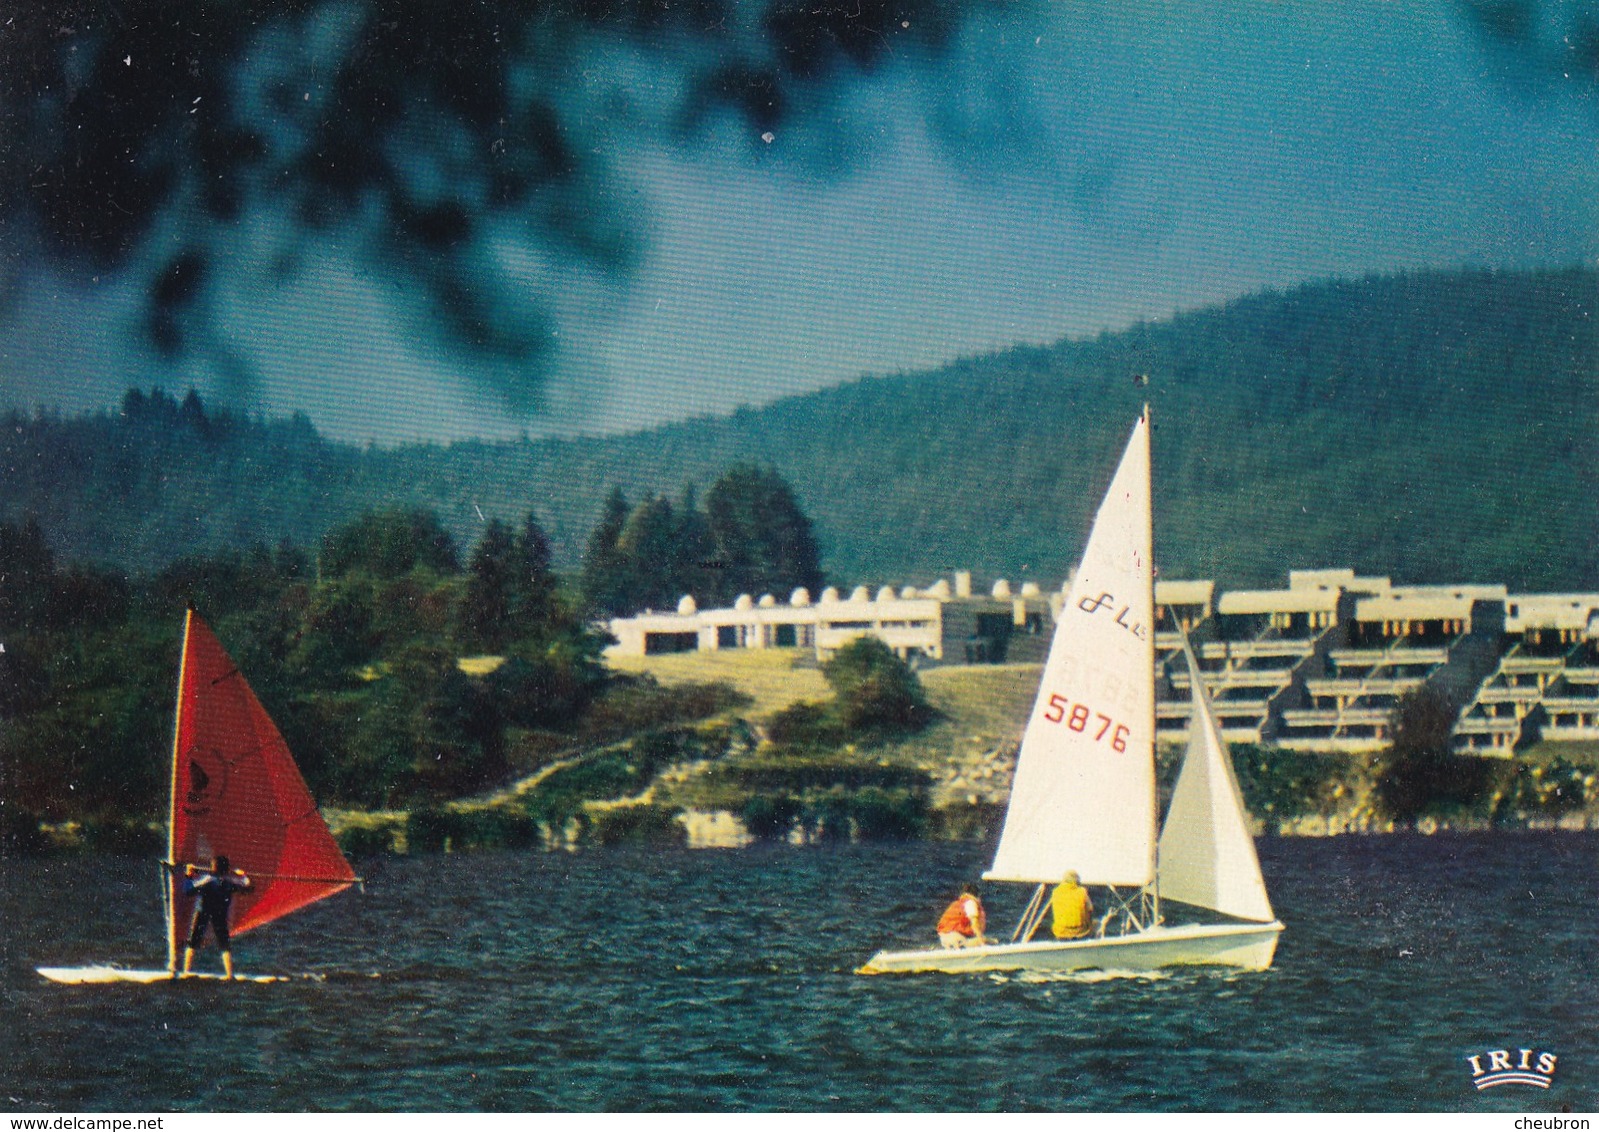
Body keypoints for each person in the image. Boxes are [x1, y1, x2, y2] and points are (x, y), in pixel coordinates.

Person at [178, 855, 251, 978]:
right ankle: (229, 974)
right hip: (219, 914)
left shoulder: (206, 880)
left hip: (203, 912)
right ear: (227, 870)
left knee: (194, 940)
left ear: (213, 868)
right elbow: (247, 887)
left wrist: (189, 875)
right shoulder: (230, 883)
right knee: (224, 942)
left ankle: (186, 972)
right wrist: (243, 875)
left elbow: (187, 891)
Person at [936, 883, 988, 949]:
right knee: (989, 941)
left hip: (945, 937)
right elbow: (974, 924)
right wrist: (982, 943)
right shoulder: (971, 903)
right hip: (955, 938)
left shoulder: (959, 902)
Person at [1050, 870, 1094, 940]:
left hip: (1061, 932)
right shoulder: (1082, 891)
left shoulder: (1056, 892)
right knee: (1096, 923)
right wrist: (1090, 926)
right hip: (1080, 932)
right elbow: (1090, 909)